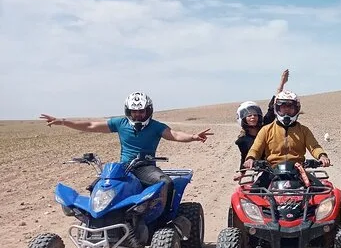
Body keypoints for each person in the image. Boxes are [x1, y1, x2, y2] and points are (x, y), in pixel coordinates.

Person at [40, 91, 213, 221]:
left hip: (145, 167)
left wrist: (193, 137)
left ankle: (165, 220)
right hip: (124, 168)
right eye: (134, 111)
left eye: (141, 111)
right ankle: (100, 222)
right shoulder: (120, 123)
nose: (138, 114)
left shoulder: (156, 126)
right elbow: (91, 125)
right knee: (97, 187)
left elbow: (174, 134)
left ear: (148, 111)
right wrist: (63, 122)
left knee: (166, 183)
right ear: (128, 111)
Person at [243, 90, 330, 187]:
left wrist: (322, 156)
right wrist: (250, 158)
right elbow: (256, 149)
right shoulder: (266, 130)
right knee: (254, 193)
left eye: (290, 108)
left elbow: (314, 146)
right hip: (272, 170)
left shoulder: (304, 130)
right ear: (277, 109)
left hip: (298, 170)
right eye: (283, 108)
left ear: (296, 110)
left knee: (322, 191)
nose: (287, 112)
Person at [234, 69, 289, 170]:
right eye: (249, 116)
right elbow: (244, 157)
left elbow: (273, 107)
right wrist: (242, 172)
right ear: (243, 119)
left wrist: (281, 83)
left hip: (278, 165)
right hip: (261, 170)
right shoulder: (242, 141)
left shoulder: (265, 125)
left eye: (255, 115)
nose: (253, 117)